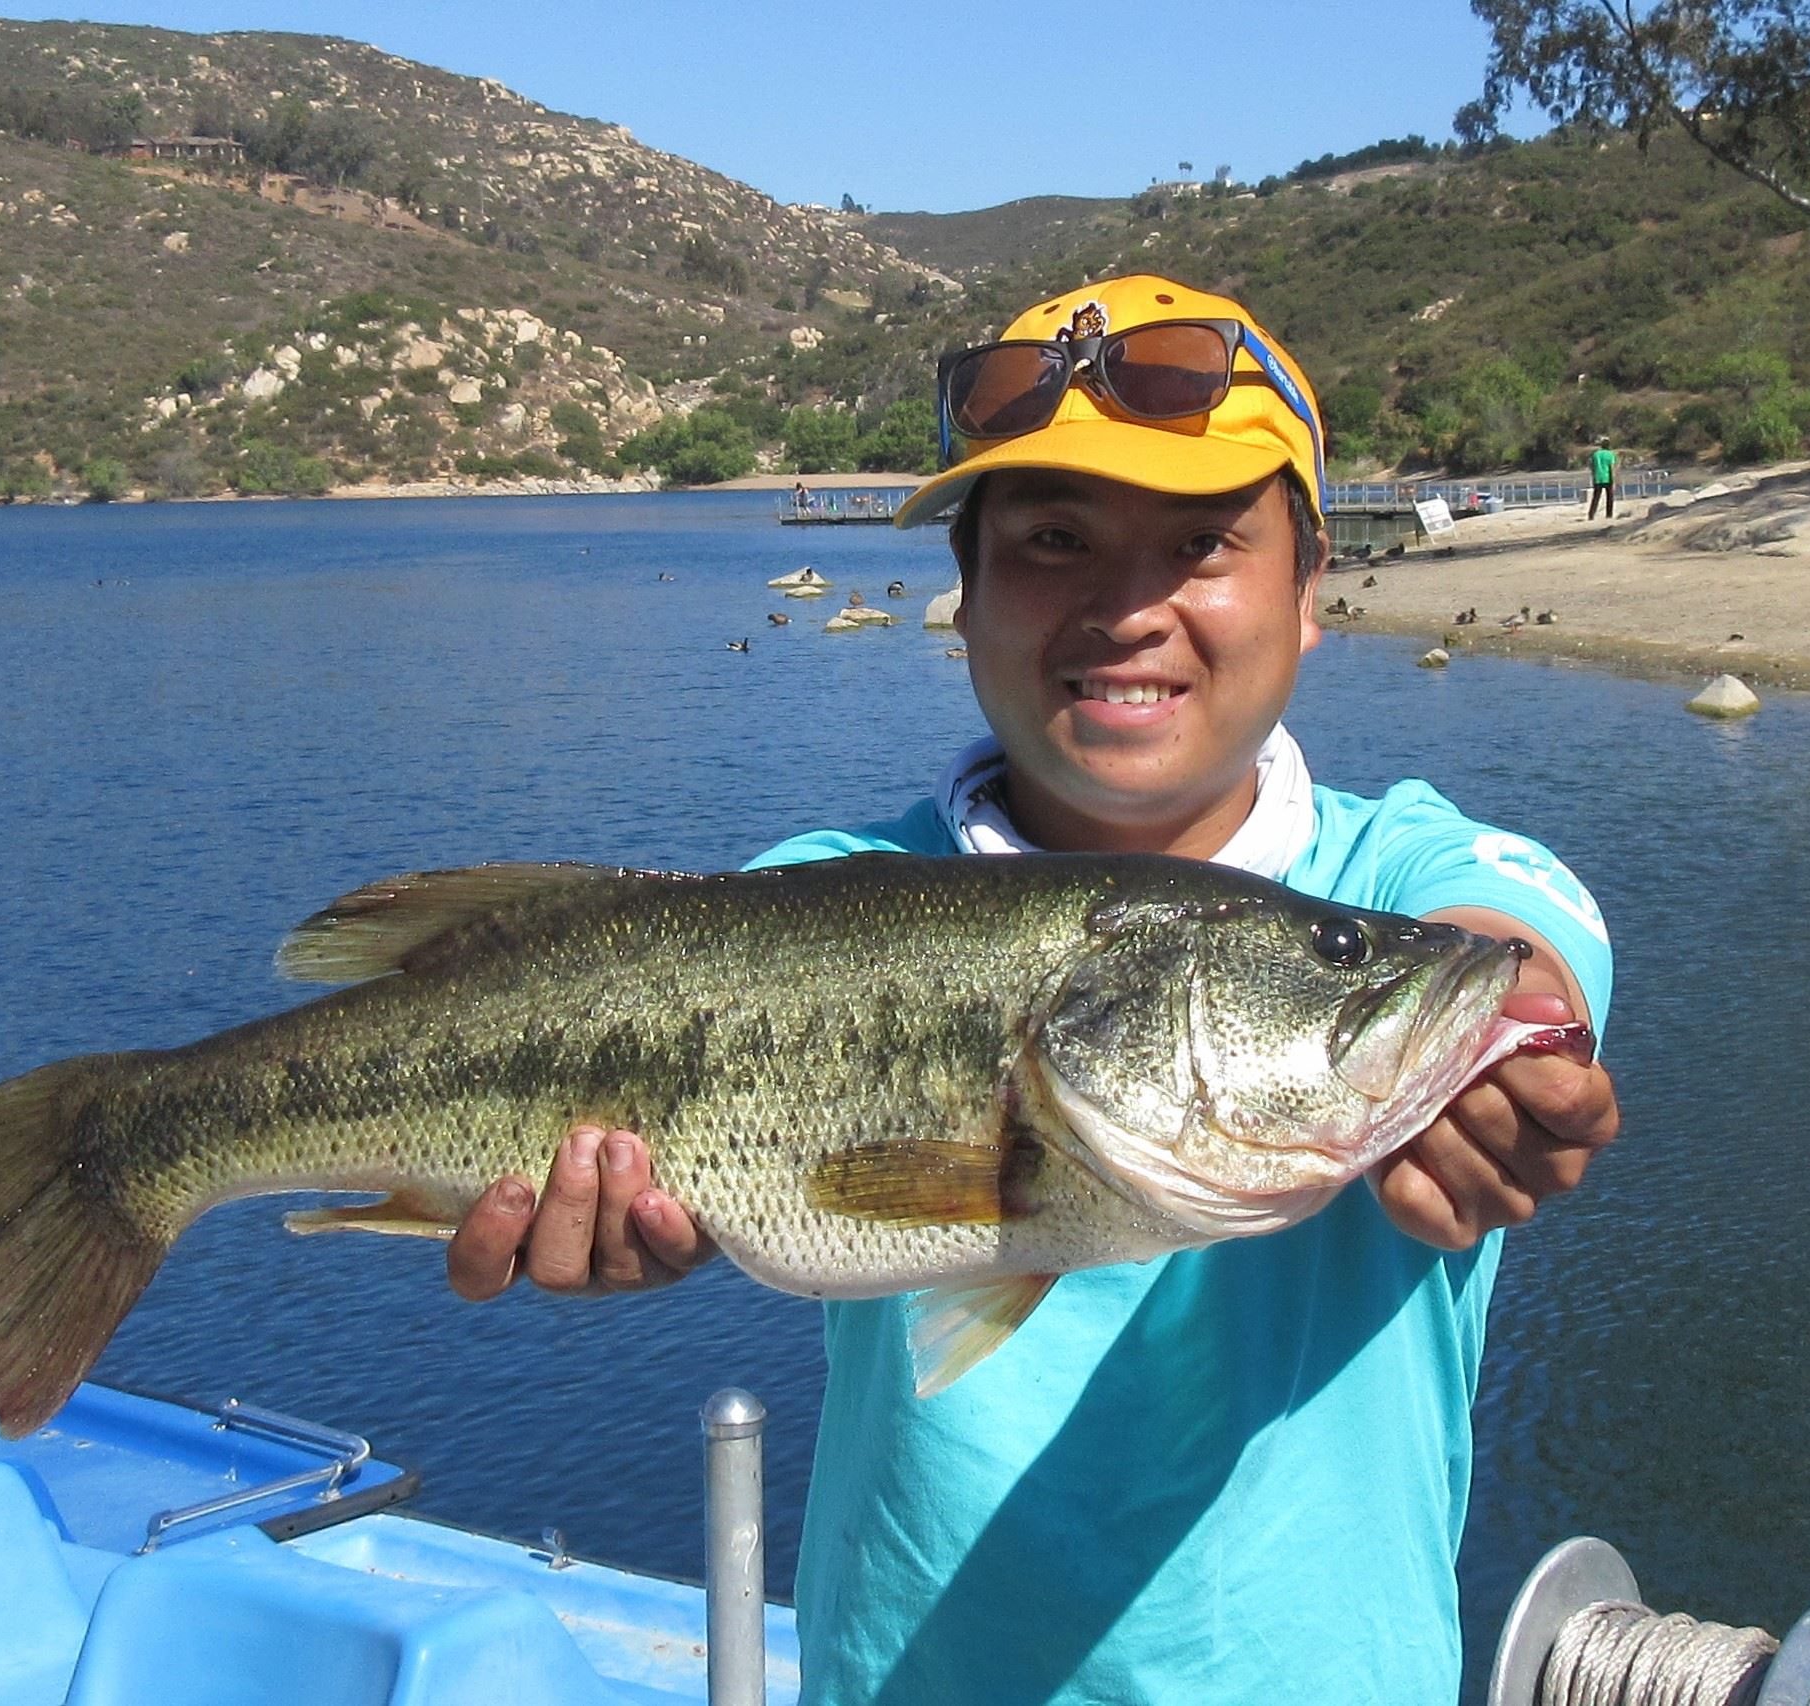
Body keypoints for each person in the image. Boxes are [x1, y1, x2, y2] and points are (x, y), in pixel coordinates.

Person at [445, 274, 1620, 1704]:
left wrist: (1518, 1061)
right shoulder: (817, 892)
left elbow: (1518, 955)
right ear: (969, 591)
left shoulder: (1401, 884)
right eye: (1054, 541)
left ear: (1311, 589)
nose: (1127, 610)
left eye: (1202, 543)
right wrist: (636, 1217)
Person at [1588, 435, 1617, 520]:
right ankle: (1609, 514)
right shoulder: (1610, 455)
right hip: (1607, 478)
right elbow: (1611, 468)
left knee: (1596, 498)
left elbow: (1592, 466)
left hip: (1597, 478)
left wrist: (1593, 476)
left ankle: (1591, 514)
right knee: (1610, 497)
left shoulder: (1595, 454)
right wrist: (1614, 480)